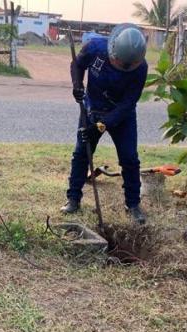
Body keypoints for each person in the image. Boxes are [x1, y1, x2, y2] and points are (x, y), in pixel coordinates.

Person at [61, 24, 149, 225]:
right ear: (113, 50)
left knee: (129, 159)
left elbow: (128, 103)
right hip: (92, 109)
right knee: (82, 154)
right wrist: (77, 85)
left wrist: (103, 124)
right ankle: (73, 199)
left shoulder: (140, 68)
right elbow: (77, 65)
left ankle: (133, 204)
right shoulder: (94, 48)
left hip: (122, 116)